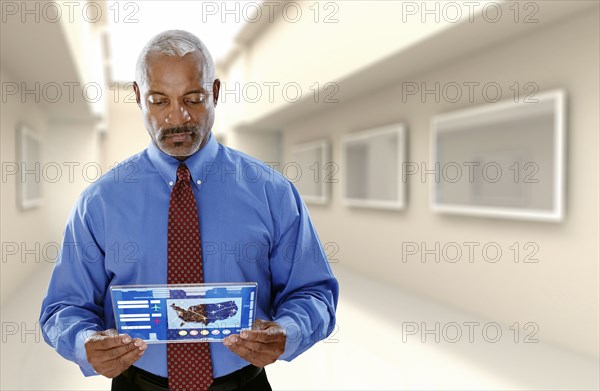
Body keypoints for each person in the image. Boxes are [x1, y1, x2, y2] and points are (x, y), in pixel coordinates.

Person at [39, 30, 339, 391]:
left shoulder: (272, 193)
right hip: (137, 384)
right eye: (158, 100)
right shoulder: (99, 202)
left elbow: (314, 294)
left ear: (214, 93)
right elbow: (62, 308)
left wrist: (289, 331)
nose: (176, 117)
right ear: (138, 96)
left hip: (243, 384)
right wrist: (83, 343)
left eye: (193, 99)